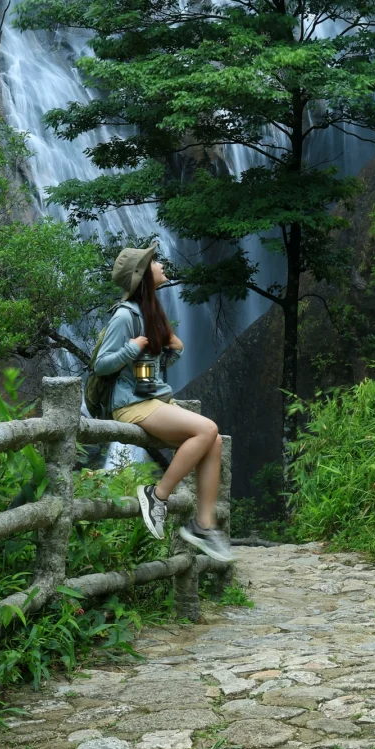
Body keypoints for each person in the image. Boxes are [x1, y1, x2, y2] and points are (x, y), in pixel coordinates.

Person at [93, 240, 234, 565]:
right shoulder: (125, 316)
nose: (161, 265)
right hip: (132, 406)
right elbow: (102, 364)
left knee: (211, 442)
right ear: (143, 276)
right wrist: (131, 347)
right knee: (207, 429)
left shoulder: (149, 313)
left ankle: (203, 524)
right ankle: (156, 496)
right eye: (154, 262)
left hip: (152, 399)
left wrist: (172, 348)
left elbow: (149, 367)